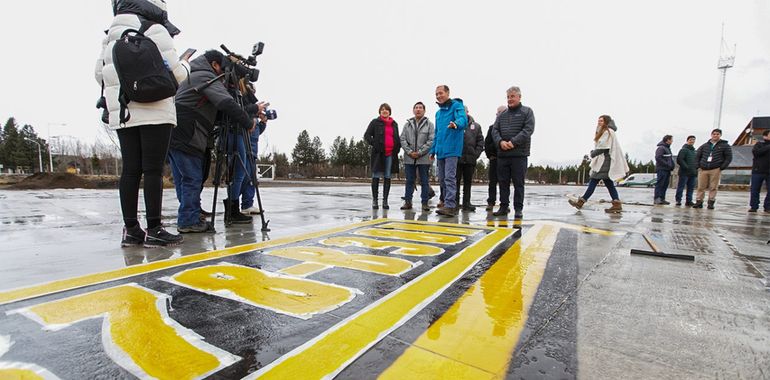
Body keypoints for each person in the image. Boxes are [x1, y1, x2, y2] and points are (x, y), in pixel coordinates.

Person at [96, 0, 190, 247]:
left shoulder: (110, 37)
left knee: (130, 169)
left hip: (123, 111)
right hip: (155, 108)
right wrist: (187, 65)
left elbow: (99, 75)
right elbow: (178, 74)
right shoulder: (154, 29)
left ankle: (131, 230)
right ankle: (155, 228)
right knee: (153, 170)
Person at [169, 50, 261, 231]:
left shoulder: (192, 74)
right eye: (224, 69)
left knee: (186, 177)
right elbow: (225, 102)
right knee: (191, 178)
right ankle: (188, 221)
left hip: (177, 129)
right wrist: (248, 121)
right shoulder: (205, 76)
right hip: (188, 131)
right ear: (214, 65)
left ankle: (190, 216)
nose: (225, 75)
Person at [568, 115, 628, 213]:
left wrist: (593, 153)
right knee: (608, 183)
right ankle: (616, 204)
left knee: (594, 180)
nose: (599, 122)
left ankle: (581, 202)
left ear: (606, 122)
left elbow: (604, 147)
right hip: (605, 160)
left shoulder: (607, 132)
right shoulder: (607, 132)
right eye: (598, 120)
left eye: (601, 121)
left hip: (605, 160)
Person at [491, 86, 535, 219]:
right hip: (503, 155)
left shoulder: (527, 112)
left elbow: (528, 130)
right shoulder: (502, 115)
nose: (510, 99)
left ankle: (518, 209)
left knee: (518, 183)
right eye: (508, 97)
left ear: (519, 97)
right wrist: (500, 142)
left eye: (512, 96)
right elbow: (495, 130)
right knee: (503, 182)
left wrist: (513, 142)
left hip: (519, 155)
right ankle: (504, 207)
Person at [430, 85, 468, 217]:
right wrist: (433, 150)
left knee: (449, 178)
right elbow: (436, 133)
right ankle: (446, 202)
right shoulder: (438, 113)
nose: (438, 96)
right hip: (440, 150)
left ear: (447, 93)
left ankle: (451, 205)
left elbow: (463, 119)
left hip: (452, 149)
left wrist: (456, 124)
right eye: (436, 94)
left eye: (440, 93)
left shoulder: (456, 106)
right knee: (442, 179)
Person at [364, 103, 400, 209]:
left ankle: (385, 201)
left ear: (390, 111)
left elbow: (397, 137)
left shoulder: (394, 124)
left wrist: (397, 148)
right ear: (379, 111)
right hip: (378, 154)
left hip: (390, 154)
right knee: (376, 176)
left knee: (387, 176)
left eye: (387, 109)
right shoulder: (375, 122)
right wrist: (375, 144)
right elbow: (367, 135)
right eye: (382, 109)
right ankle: (375, 200)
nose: (385, 111)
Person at [400, 102, 435, 211]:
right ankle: (408, 202)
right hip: (409, 158)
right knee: (409, 180)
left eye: (420, 108)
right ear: (413, 110)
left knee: (424, 181)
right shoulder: (407, 124)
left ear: (424, 110)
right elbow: (402, 139)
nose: (418, 109)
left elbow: (431, 140)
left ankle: (424, 203)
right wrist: (410, 152)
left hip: (423, 158)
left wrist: (420, 152)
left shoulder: (429, 125)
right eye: (416, 108)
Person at [693, 129, 733, 209]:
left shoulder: (725, 146)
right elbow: (697, 156)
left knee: (713, 187)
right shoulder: (704, 146)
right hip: (703, 169)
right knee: (701, 187)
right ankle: (699, 201)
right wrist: (698, 166)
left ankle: (711, 202)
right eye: (714, 134)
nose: (715, 135)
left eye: (717, 134)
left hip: (715, 169)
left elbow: (728, 157)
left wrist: (722, 167)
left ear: (720, 135)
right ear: (711, 135)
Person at [455, 107, 484, 211]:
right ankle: (455, 203)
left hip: (470, 159)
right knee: (455, 182)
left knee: (468, 183)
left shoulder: (476, 126)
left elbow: (480, 141)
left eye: (464, 111)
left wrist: (475, 154)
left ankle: (466, 203)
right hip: (457, 159)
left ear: (467, 112)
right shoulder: (455, 125)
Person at [239, 112, 268, 216]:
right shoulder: (246, 113)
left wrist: (263, 123)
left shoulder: (255, 119)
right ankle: (232, 203)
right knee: (241, 178)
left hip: (252, 153)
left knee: (251, 180)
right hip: (244, 151)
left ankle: (247, 204)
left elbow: (257, 131)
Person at [485, 106, 507, 211]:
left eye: (500, 112)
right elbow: (487, 143)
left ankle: (504, 204)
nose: (498, 114)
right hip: (495, 159)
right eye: (497, 113)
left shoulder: (508, 128)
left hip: (506, 159)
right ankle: (491, 202)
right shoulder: (492, 128)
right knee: (492, 182)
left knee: (504, 182)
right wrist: (490, 155)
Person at [749, 130, 770, 212]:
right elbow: (756, 153)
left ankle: (768, 207)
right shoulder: (759, 144)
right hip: (758, 171)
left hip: (769, 172)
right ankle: (754, 206)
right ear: (765, 136)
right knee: (755, 190)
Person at [675, 135, 697, 206]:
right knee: (681, 187)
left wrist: (696, 168)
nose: (692, 141)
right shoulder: (683, 150)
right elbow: (679, 160)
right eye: (690, 139)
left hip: (693, 173)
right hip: (684, 172)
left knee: (691, 188)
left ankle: (689, 201)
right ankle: (678, 200)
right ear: (687, 140)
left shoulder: (694, 151)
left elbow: (696, 161)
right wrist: (686, 167)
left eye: (693, 140)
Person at [654, 135, 675, 205]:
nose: (672, 141)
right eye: (671, 140)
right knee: (660, 184)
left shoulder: (668, 149)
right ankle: (657, 198)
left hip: (667, 170)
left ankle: (662, 198)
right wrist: (667, 165)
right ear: (667, 140)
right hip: (662, 169)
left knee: (665, 184)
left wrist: (672, 166)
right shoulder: (661, 148)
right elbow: (658, 158)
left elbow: (669, 159)